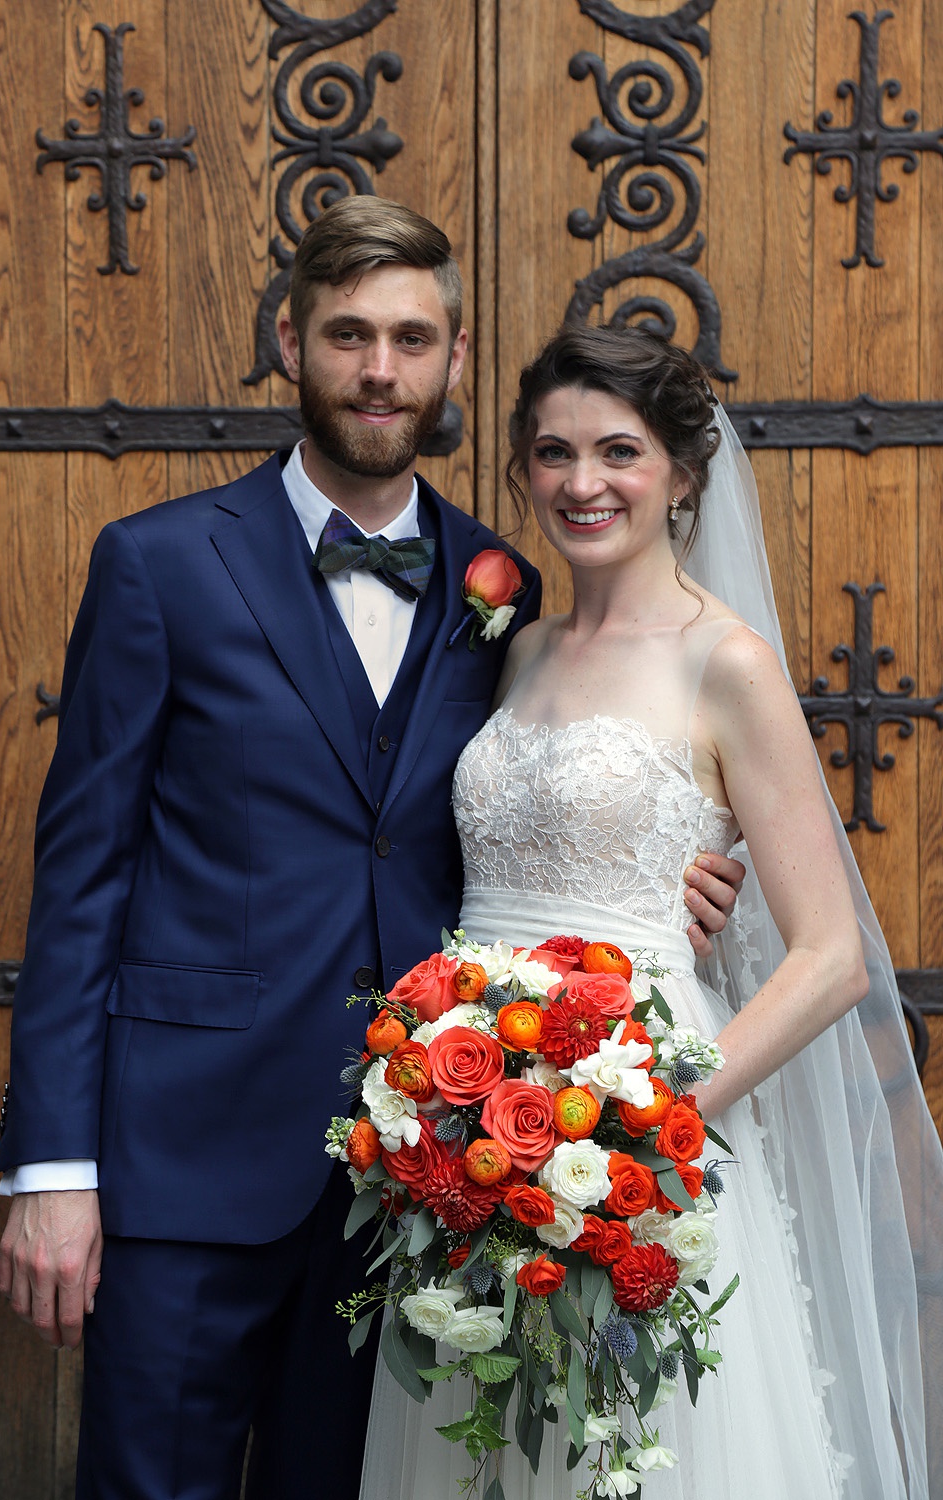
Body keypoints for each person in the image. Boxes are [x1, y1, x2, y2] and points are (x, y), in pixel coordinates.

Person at [0, 201, 740, 1500]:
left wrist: (656, 877)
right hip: (182, 1165)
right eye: (348, 335)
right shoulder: (158, 565)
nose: (379, 371)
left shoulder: (506, 583)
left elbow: (536, 797)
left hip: (426, 1184)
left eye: (411, 338)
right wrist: (54, 1170)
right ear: (292, 341)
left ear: (455, 359)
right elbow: (82, 881)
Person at [359, 325, 943, 1500]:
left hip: (636, 1124)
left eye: (618, 452)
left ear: (682, 472)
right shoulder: (516, 651)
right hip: (472, 1140)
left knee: (639, 1450)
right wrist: (453, 1106)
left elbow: (829, 957)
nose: (582, 484)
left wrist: (646, 1124)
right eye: (552, 453)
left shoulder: (724, 662)